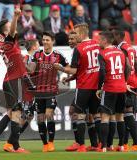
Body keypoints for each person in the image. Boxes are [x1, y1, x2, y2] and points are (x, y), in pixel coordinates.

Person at [0, 7, 31, 153]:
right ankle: (16, 146)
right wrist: (16, 16)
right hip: (15, 80)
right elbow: (12, 32)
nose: (14, 29)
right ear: (5, 31)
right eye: (9, 27)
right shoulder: (9, 40)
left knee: (10, 113)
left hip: (8, 80)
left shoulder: (2, 44)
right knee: (17, 113)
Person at [54, 23, 101, 152]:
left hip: (84, 86)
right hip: (97, 87)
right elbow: (87, 68)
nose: (73, 35)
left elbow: (74, 70)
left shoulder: (79, 48)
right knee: (94, 115)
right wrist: (70, 78)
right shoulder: (98, 45)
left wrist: (61, 68)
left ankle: (80, 145)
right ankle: (97, 144)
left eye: (75, 33)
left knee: (75, 113)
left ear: (81, 33)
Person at [29, 31, 69, 152]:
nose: (45, 42)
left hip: (51, 90)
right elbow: (31, 70)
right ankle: (45, 144)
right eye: (44, 40)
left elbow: (69, 68)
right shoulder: (36, 55)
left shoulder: (58, 55)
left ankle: (51, 142)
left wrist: (62, 69)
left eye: (47, 40)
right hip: (38, 91)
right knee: (40, 118)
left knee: (48, 115)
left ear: (53, 41)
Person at [96, 30, 131, 152]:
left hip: (109, 88)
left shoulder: (102, 53)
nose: (98, 42)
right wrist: (124, 81)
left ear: (105, 40)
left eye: (99, 40)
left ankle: (104, 146)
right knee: (120, 117)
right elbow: (128, 68)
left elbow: (102, 72)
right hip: (121, 88)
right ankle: (121, 145)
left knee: (105, 118)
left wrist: (100, 87)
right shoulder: (121, 52)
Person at [112, 29, 137, 151]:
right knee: (126, 112)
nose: (112, 38)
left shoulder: (120, 49)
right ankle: (125, 143)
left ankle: (136, 143)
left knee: (126, 113)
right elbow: (135, 64)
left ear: (118, 35)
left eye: (113, 36)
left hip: (126, 83)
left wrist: (124, 82)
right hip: (133, 82)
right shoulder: (131, 48)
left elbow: (126, 66)